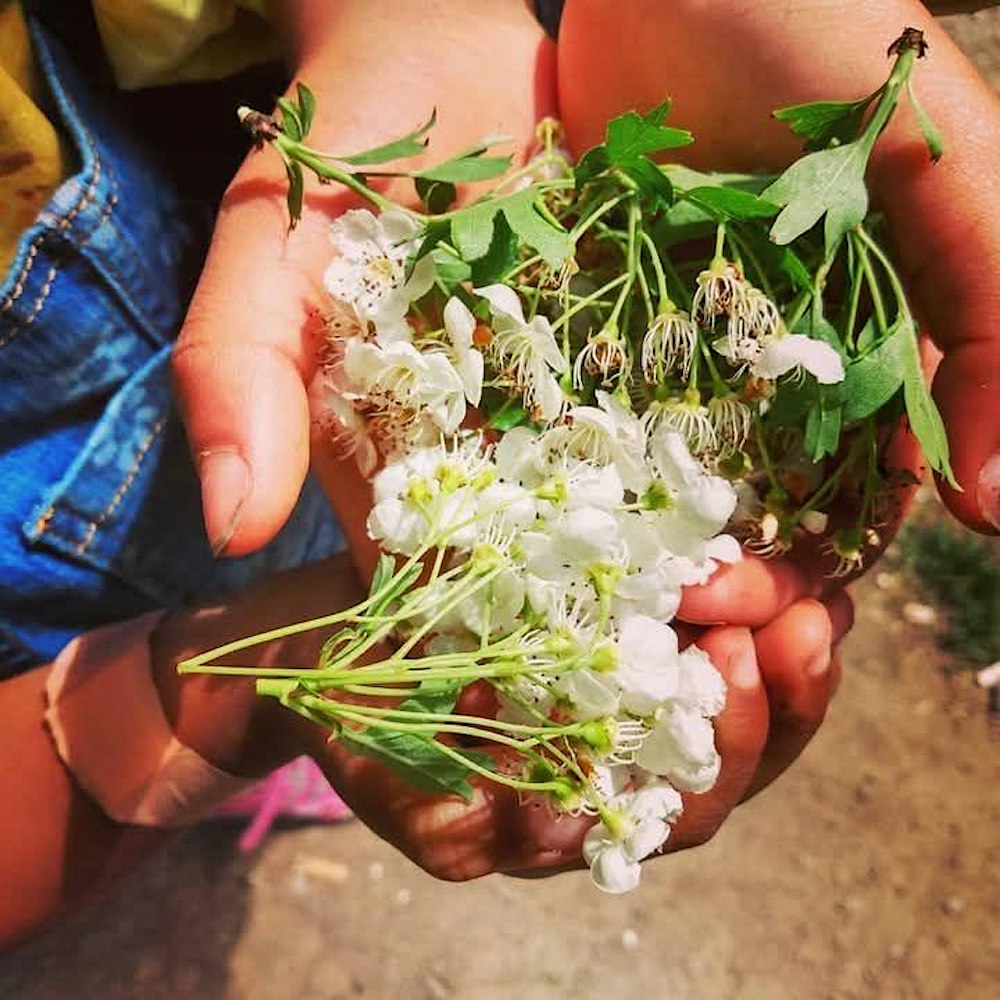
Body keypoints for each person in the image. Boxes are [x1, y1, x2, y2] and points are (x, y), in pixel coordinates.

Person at [0, 0, 984, 945]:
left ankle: (267, 695)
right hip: (95, 516)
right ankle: (243, 726)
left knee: (324, 505)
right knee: (293, 518)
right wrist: (253, 685)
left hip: (136, 124)